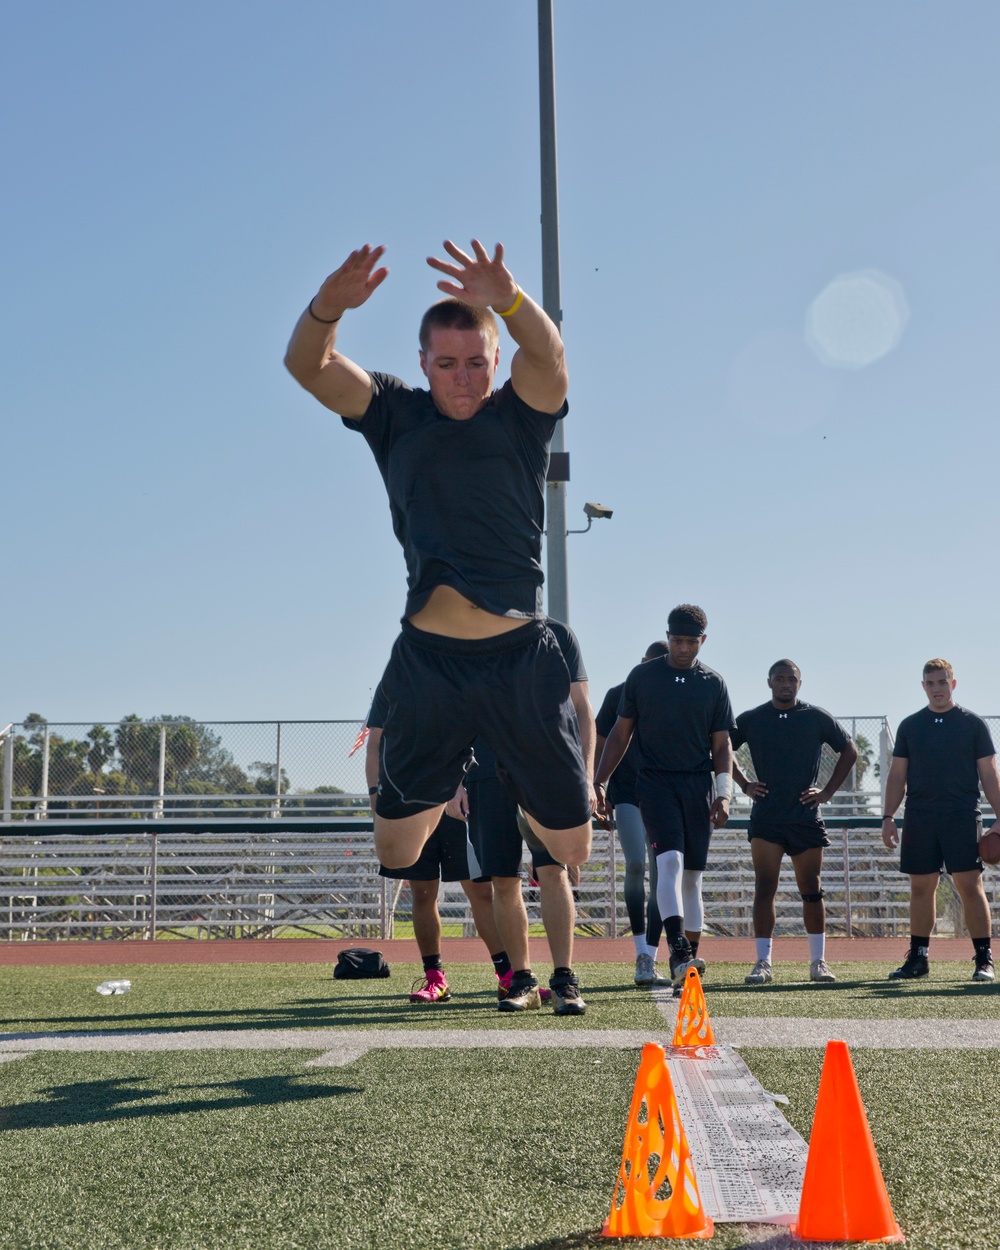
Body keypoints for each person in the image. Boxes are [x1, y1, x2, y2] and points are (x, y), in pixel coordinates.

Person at [285, 240, 593, 877]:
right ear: (422, 361)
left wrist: (508, 300)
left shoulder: (521, 415)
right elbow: (308, 367)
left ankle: (517, 781)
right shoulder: (396, 413)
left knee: (570, 851)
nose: (463, 376)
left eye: (476, 363)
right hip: (430, 664)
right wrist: (326, 308)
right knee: (397, 853)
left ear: (495, 359)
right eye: (447, 363)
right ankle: (446, 786)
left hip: (519, 659)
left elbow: (550, 355)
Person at [450, 618, 595, 1015]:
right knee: (503, 878)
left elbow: (582, 708)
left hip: (547, 767)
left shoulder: (558, 635)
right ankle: (523, 980)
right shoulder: (469, 634)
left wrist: (584, 775)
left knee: (553, 869)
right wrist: (453, 780)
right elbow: (456, 713)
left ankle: (565, 979)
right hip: (485, 769)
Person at [594, 605, 735, 986]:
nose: (683, 648)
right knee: (668, 863)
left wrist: (723, 792)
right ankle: (677, 949)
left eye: (691, 641)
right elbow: (620, 734)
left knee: (691, 878)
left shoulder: (714, 683)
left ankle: (687, 963)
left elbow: (722, 745)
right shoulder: (642, 677)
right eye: (677, 640)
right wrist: (600, 780)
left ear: (703, 640)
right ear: (668, 636)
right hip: (654, 782)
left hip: (697, 785)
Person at [365, 684, 507, 1003]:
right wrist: (376, 796)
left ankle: (510, 975)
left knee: (482, 891)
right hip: (411, 800)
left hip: (461, 800)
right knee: (423, 892)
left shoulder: (461, 675)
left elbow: (472, 737)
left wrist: (456, 784)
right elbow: (376, 743)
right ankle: (435, 978)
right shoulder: (396, 680)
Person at [731, 660, 858, 985]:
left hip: (805, 816)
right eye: (780, 678)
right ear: (769, 681)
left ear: (799, 683)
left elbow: (850, 751)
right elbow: (720, 748)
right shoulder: (753, 718)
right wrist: (744, 784)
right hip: (767, 817)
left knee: (811, 890)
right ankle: (763, 963)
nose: (786, 684)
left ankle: (818, 962)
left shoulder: (816, 716)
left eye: (792, 679)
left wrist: (827, 791)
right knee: (765, 888)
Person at [881, 658, 1000, 983]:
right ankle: (918, 959)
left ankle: (984, 959)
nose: (937, 688)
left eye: (942, 682)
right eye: (930, 683)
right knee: (920, 888)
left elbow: (989, 774)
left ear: (953, 684)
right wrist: (888, 816)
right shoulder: (910, 726)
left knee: (969, 886)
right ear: (923, 686)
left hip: (961, 816)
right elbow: (897, 775)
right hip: (919, 817)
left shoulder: (972, 724)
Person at [595, 642, 670, 987]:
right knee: (636, 865)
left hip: (663, 793)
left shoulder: (675, 695)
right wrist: (598, 783)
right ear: (641, 665)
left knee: (660, 873)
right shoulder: (618, 694)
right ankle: (640, 949)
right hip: (626, 792)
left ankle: (651, 955)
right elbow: (598, 739)